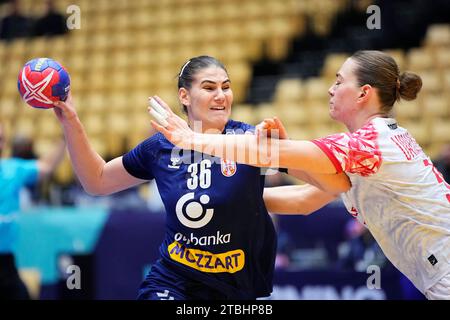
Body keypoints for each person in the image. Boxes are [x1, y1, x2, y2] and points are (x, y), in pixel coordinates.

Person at [151, 50, 450, 300]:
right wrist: (234, 201)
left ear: (363, 93)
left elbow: (266, 155)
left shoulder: (370, 143)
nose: (331, 89)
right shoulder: (371, 146)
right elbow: (307, 198)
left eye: (339, 81)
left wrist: (191, 140)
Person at [52, 55, 343, 300]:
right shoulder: (161, 147)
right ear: (184, 96)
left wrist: (285, 150)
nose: (221, 95)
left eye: (226, 87)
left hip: (236, 289)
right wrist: (71, 122)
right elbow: (97, 181)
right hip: (173, 280)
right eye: (209, 87)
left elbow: (320, 188)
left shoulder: (249, 140)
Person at [0, 123, 65, 299]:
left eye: (2, 139)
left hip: (6, 261)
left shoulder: (13, 168)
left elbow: (47, 166)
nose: (0, 143)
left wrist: (66, 136)